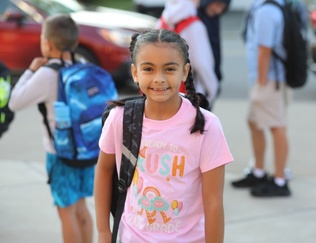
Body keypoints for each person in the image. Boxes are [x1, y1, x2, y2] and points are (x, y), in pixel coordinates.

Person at [94, 29, 234, 243]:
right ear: (135, 73)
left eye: (169, 69)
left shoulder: (206, 125)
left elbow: (214, 202)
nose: (159, 79)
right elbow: (104, 170)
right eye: (148, 69)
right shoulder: (120, 118)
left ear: (185, 71)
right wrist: (103, 231)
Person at [9, 14, 94, 243]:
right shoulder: (84, 66)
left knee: (66, 212)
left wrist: (30, 71)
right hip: (87, 150)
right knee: (81, 207)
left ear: (46, 43)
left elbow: (14, 101)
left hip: (60, 154)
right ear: (75, 42)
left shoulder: (47, 74)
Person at [231, 0, 307, 197]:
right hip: (268, 80)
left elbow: (264, 50)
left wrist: (261, 82)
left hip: (269, 81)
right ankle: (258, 171)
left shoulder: (266, 11)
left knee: (276, 126)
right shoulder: (269, 6)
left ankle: (280, 180)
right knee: (254, 122)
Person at [156, 0, 219, 109]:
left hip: (159, 93)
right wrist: (211, 90)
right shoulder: (195, 26)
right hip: (186, 97)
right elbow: (202, 64)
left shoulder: (161, 23)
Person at [198, 0, 231, 85]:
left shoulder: (213, 17)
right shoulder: (194, 20)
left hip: (211, 75)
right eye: (217, 5)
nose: (218, 10)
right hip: (198, 80)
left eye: (222, 8)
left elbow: (215, 47)